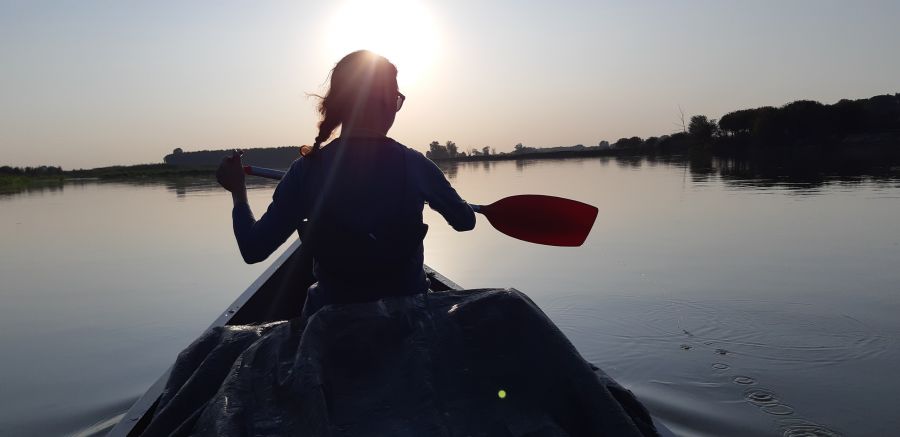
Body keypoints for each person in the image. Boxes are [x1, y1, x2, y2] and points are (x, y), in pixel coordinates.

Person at [216, 50, 475, 318]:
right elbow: (465, 221)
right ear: (388, 102)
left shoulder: (305, 170)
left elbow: (253, 249)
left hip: (330, 327)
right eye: (396, 99)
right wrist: (446, 200)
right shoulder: (416, 165)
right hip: (408, 324)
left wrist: (238, 191)